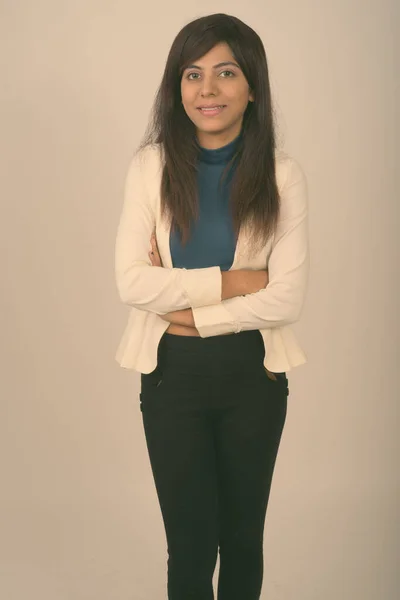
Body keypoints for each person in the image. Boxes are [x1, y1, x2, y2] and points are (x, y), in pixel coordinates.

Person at [114, 12, 309, 600]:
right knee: (191, 547)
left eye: (225, 73)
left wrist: (188, 310)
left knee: (243, 539)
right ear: (177, 88)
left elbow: (287, 298)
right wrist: (238, 282)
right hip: (172, 378)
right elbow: (131, 282)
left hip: (254, 375)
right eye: (193, 74)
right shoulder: (150, 169)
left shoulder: (282, 176)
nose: (208, 90)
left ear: (252, 85)